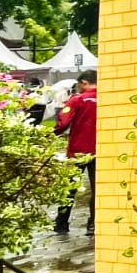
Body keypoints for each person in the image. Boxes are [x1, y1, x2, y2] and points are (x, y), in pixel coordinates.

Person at [54, 70, 98, 236]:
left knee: (70, 187)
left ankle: (62, 223)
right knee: (97, 189)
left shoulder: (77, 100)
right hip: (100, 151)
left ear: (84, 82)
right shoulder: (108, 100)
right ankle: (93, 225)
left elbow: (62, 123)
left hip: (77, 151)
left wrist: (50, 135)